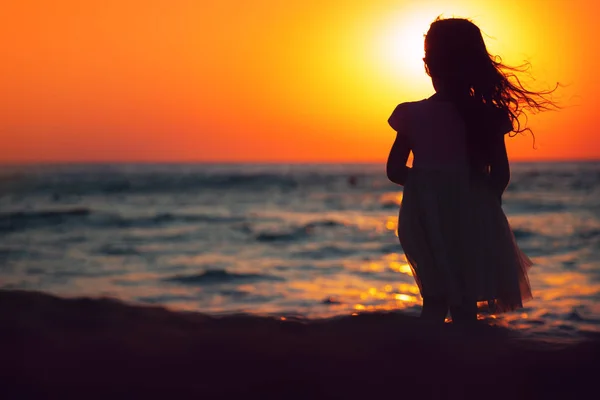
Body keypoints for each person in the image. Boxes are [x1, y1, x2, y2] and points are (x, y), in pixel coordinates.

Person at [386, 17, 557, 323]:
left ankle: (425, 361)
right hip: (474, 214)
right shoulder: (488, 116)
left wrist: (426, 185)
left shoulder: (411, 113)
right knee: (466, 304)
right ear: (477, 64)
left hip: (423, 215)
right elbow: (501, 175)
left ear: (428, 65)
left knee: (435, 300)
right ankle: (468, 364)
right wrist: (482, 205)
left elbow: (395, 170)